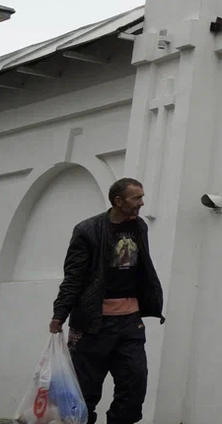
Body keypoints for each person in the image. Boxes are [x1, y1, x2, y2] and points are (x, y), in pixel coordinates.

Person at [49, 177, 165, 424]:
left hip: (130, 324)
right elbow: (74, 277)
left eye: (142, 197)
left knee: (135, 385)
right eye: (137, 198)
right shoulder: (87, 230)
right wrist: (60, 314)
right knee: (83, 394)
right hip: (92, 325)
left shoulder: (139, 227)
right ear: (118, 201)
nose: (142, 203)